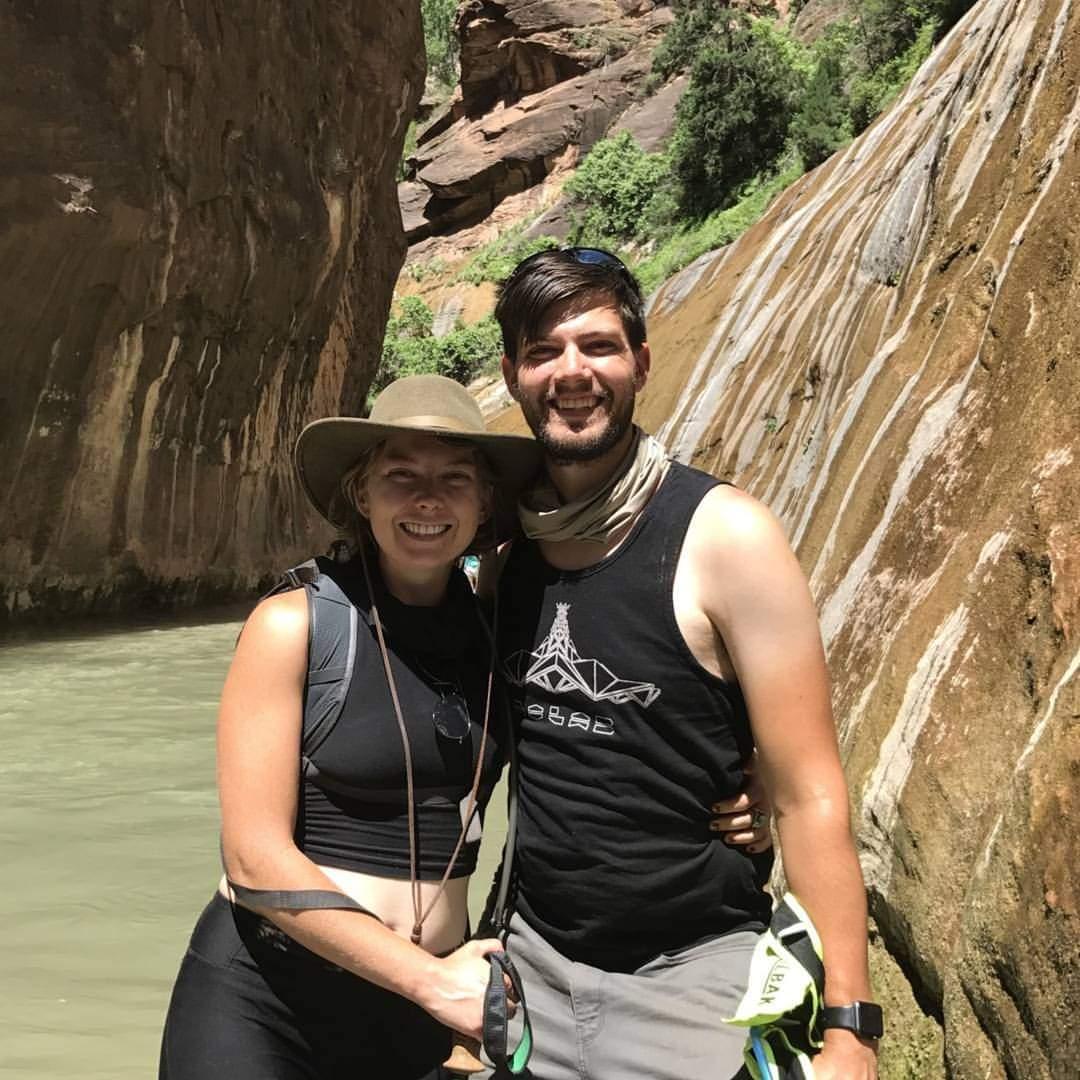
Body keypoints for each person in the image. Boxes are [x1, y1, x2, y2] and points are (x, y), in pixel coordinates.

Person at [158, 373, 767, 1080]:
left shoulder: (502, 626)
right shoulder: (295, 623)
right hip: (270, 995)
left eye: (454, 478)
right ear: (362, 495)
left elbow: (604, 727)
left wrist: (747, 786)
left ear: (483, 506)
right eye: (400, 475)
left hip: (418, 1012)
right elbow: (253, 859)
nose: (427, 499)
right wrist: (432, 983)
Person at [482, 248, 880, 1079]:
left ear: (641, 362)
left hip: (694, 977)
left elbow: (809, 793)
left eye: (598, 346)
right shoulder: (506, 547)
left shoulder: (726, 537)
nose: (572, 371)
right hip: (529, 969)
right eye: (543, 352)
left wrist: (849, 1030)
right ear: (514, 375)